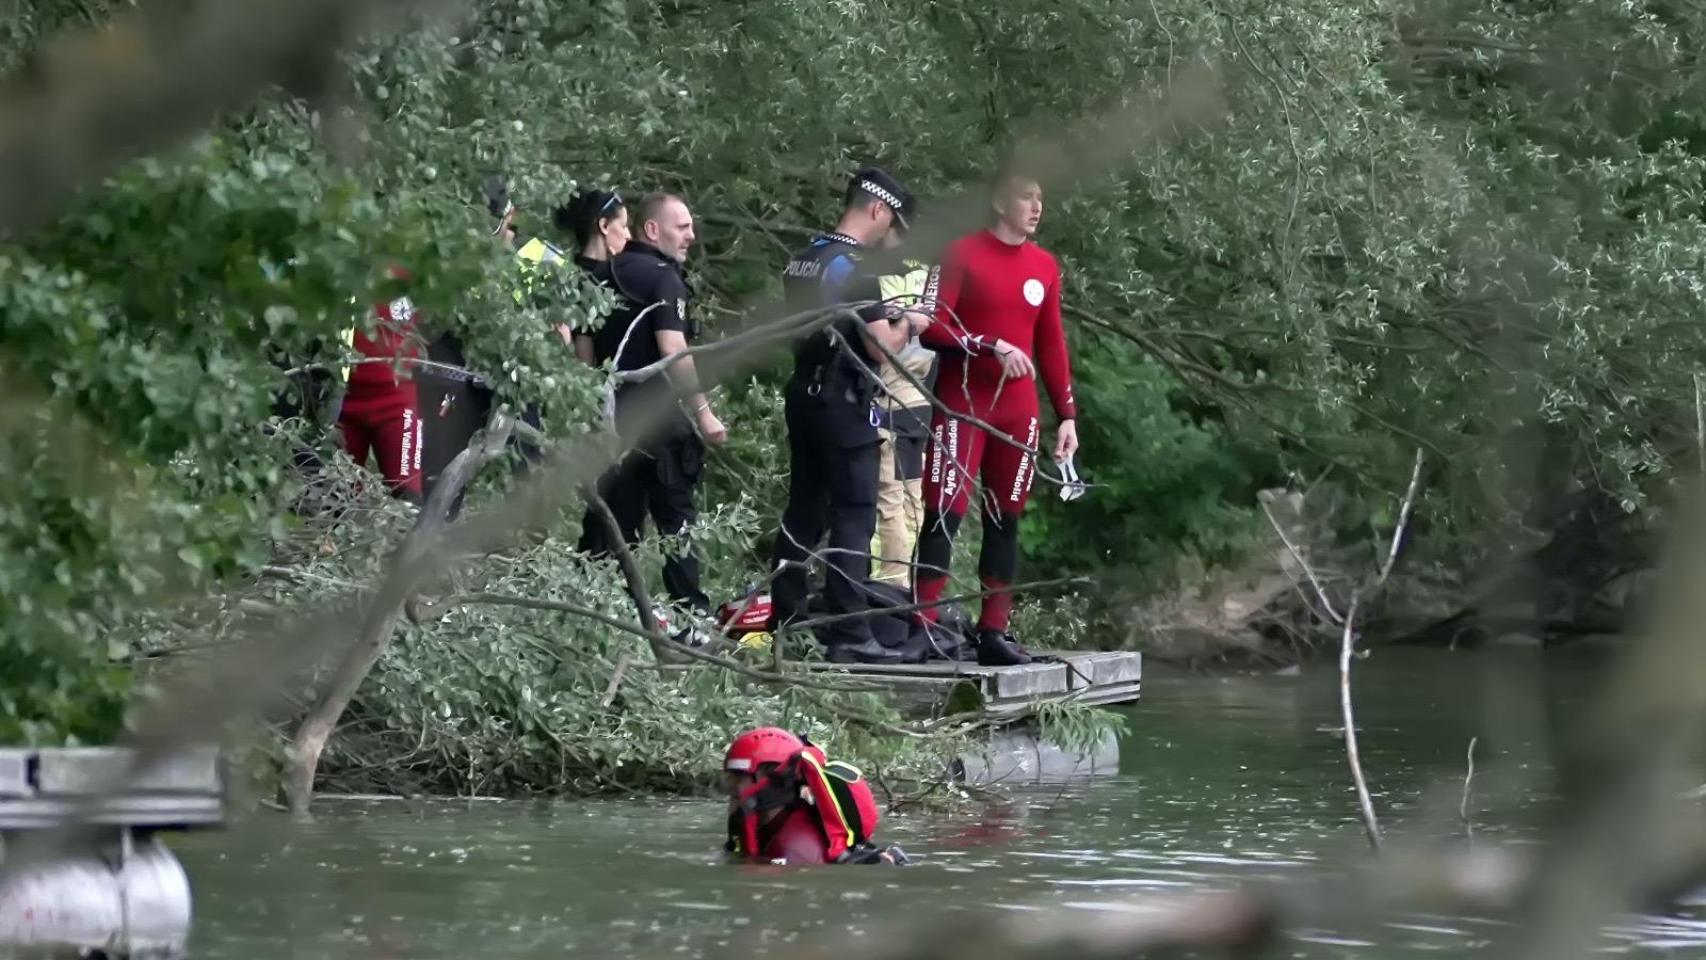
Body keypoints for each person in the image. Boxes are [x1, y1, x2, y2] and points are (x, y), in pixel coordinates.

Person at [911, 159, 1082, 666]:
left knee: (1004, 519)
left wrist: (1067, 414)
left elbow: (1051, 345)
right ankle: (923, 625)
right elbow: (932, 326)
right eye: (1027, 197)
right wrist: (988, 344)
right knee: (945, 512)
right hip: (963, 406)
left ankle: (993, 632)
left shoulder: (1044, 266)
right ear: (999, 202)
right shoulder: (961, 254)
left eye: (1041, 199)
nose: (1037, 207)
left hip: (1018, 412)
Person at [767, 166, 931, 665]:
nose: (893, 238)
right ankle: (851, 632)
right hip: (843, 399)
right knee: (855, 513)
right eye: (893, 226)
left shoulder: (807, 258)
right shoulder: (854, 266)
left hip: (803, 393)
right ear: (877, 210)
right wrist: (911, 320)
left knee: (804, 511)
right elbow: (882, 348)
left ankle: (787, 620)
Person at [575, 193, 725, 630]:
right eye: (683, 227)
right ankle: (692, 619)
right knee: (678, 524)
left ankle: (598, 614)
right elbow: (673, 350)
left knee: (613, 529)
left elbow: (583, 354)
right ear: (652, 230)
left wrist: (594, 417)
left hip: (613, 424)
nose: (691, 237)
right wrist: (704, 413)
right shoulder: (664, 280)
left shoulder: (601, 276)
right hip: (659, 422)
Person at [722, 727, 906, 866]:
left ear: (774, 778)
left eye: (738, 776)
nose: (731, 786)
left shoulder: (797, 849)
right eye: (729, 777)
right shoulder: (773, 826)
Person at [870, 252, 938, 585]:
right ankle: (910, 583)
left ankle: (891, 581)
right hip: (920, 398)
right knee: (913, 497)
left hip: (889, 398)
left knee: (889, 497)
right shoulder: (929, 271)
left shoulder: (876, 268)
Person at [338, 265, 426, 504]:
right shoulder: (334, 250)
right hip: (340, 398)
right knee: (334, 501)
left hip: (398, 399)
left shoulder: (417, 250)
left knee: (410, 499)